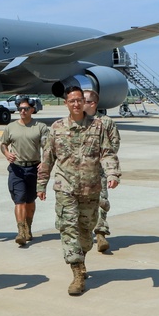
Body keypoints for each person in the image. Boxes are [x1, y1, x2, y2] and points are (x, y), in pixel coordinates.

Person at [36, 86, 120, 296]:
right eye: (71, 101)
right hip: (66, 188)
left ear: (84, 102)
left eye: (79, 100)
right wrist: (41, 184)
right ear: (66, 103)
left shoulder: (97, 126)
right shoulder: (56, 128)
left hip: (91, 188)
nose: (76, 104)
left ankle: (81, 256)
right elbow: (47, 159)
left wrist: (112, 174)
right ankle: (77, 272)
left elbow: (107, 153)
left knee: (86, 231)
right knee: (68, 227)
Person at [0, 97, 48, 247]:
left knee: (30, 201)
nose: (22, 111)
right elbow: (3, 144)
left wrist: (45, 162)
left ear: (32, 110)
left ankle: (28, 227)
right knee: (19, 200)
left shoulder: (40, 127)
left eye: (26, 109)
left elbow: (47, 147)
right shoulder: (11, 127)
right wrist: (6, 153)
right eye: (20, 109)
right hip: (16, 169)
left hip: (34, 168)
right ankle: (20, 232)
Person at [84, 89, 121, 253]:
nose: (79, 103)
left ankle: (100, 234)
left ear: (93, 103)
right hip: (79, 172)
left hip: (99, 171)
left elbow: (114, 145)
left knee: (101, 201)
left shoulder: (106, 122)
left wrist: (104, 163)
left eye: (83, 100)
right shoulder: (76, 121)